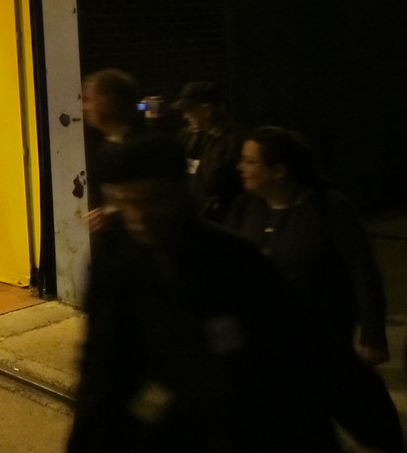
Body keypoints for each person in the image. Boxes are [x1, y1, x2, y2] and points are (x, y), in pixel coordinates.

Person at [68, 133, 341, 453]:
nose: (140, 216)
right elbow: (100, 364)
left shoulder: (233, 259)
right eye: (127, 202)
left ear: (179, 192)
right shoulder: (114, 260)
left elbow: (296, 356)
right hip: (152, 432)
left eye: (153, 200)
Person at [227, 125, 401, 452]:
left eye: (251, 162)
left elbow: (362, 271)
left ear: (279, 170)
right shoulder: (246, 209)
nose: (241, 167)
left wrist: (372, 335)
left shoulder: (329, 208)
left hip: (320, 336)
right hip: (266, 344)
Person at [171, 81, 242, 222]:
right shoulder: (186, 136)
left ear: (207, 110)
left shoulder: (233, 142)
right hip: (193, 219)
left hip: (220, 221)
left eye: (189, 110)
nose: (185, 116)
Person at [81, 68, 144, 212]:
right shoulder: (108, 146)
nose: (84, 108)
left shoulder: (145, 149)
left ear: (108, 102)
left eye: (88, 100)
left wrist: (113, 214)